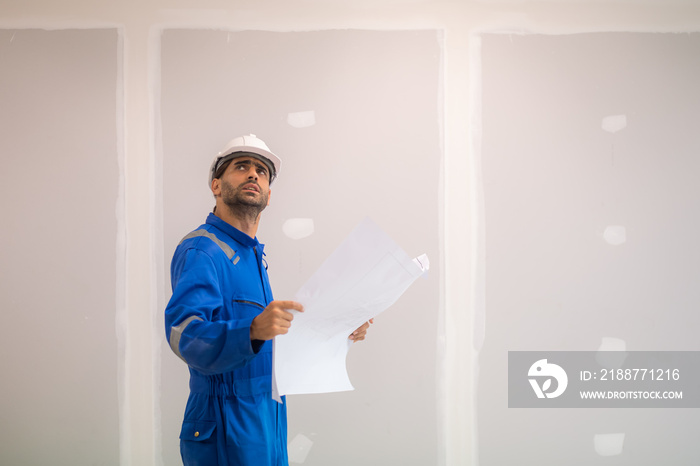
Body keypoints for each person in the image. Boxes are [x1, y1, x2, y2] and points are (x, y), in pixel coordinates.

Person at [164, 134, 371, 466]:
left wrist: (337, 332)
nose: (253, 174)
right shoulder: (203, 249)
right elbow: (183, 334)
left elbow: (269, 344)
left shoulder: (253, 257)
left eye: (261, 171)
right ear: (216, 185)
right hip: (225, 424)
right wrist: (250, 330)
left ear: (269, 195)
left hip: (267, 418)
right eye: (241, 166)